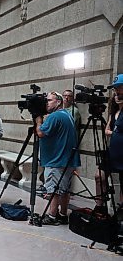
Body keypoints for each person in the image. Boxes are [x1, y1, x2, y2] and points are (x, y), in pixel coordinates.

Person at [35, 92, 81, 225]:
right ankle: (62, 214)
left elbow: (41, 133)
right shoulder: (67, 114)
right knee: (65, 189)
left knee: (53, 189)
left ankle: (52, 216)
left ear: (58, 102)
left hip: (56, 159)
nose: (47, 103)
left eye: (49, 100)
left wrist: (38, 121)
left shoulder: (55, 116)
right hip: (67, 159)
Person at [94, 74, 123, 212]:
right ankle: (100, 207)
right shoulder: (114, 112)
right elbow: (107, 130)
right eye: (116, 89)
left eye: (120, 88)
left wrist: (115, 133)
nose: (117, 92)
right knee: (99, 176)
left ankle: (121, 210)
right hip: (112, 152)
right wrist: (116, 133)